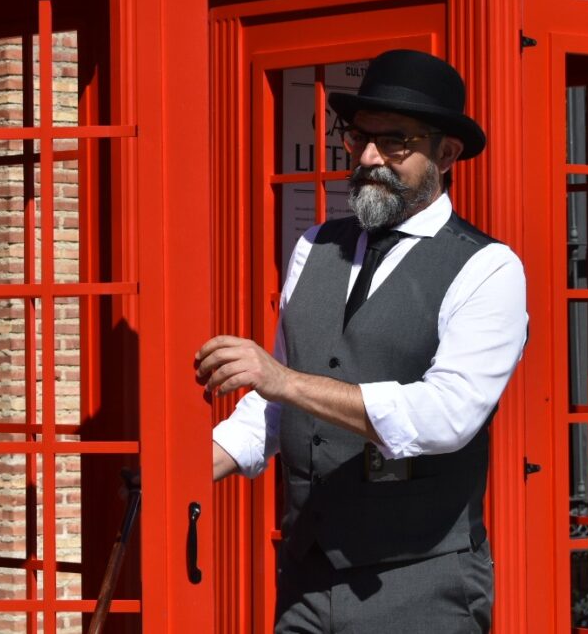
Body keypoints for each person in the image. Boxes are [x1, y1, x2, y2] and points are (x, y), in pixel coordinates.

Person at [195, 49, 527, 633]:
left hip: (420, 585)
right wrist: (185, 472)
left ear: (446, 153)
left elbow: (445, 416)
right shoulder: (315, 243)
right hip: (306, 573)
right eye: (357, 136)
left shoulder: (488, 267)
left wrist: (285, 380)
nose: (370, 157)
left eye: (395, 141)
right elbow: (272, 409)